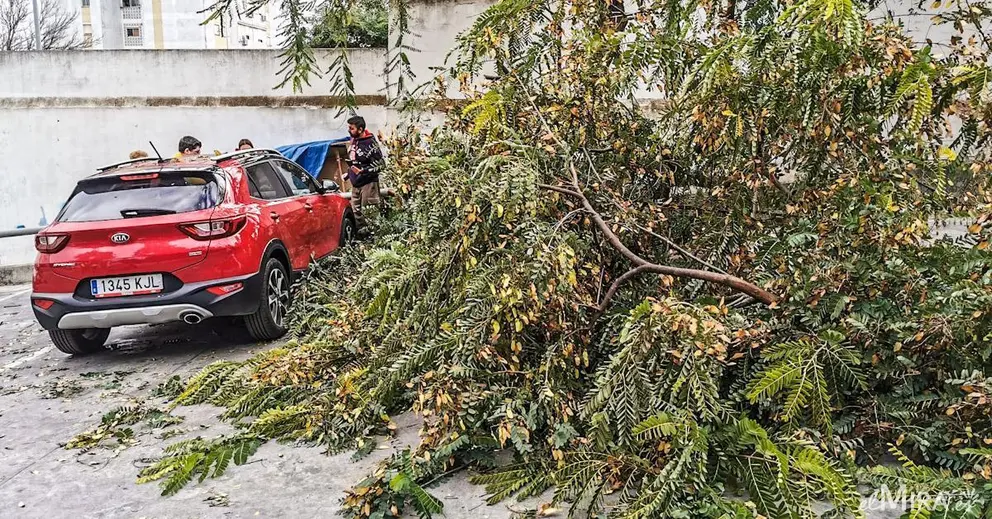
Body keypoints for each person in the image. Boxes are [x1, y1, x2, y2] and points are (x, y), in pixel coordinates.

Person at [346, 115, 383, 234]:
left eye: (352, 128)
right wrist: (348, 174)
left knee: (369, 211)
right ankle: (361, 238)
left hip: (368, 183)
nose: (349, 130)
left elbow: (380, 165)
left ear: (360, 129)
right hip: (355, 183)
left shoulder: (370, 143)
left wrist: (364, 171)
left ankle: (373, 238)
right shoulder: (353, 142)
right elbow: (354, 161)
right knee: (356, 212)